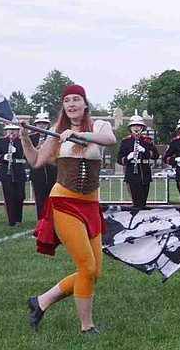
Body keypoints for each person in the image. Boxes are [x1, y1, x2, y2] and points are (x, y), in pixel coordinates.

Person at [22, 84, 117, 334]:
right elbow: (36, 161)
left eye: (76, 99)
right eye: (67, 101)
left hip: (91, 205)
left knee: (94, 273)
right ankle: (87, 327)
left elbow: (110, 140)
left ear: (85, 104)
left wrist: (79, 136)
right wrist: (23, 137)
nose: (71, 104)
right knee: (86, 267)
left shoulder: (99, 126)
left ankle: (42, 301)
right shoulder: (56, 131)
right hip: (64, 203)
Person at [118, 111, 160, 210]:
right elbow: (119, 159)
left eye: (138, 126)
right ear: (130, 128)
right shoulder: (126, 141)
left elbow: (156, 155)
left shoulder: (147, 140)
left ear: (142, 128)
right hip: (132, 173)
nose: (136, 128)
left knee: (143, 202)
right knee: (136, 203)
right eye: (134, 126)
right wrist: (128, 157)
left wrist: (145, 150)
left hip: (145, 172)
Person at [0, 122, 27, 227]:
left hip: (19, 171)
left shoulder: (22, 141)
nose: (12, 131)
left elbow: (25, 155)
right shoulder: (1, 141)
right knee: (9, 197)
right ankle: (11, 221)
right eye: (9, 129)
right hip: (6, 172)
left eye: (14, 129)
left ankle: (18, 219)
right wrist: (4, 157)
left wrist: (17, 151)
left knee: (20, 196)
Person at [27, 110, 58, 220]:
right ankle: (41, 221)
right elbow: (26, 155)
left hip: (52, 172)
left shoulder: (53, 136)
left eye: (44, 123)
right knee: (40, 199)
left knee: (53, 198)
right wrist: (36, 149)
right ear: (36, 124)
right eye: (39, 123)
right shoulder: (31, 138)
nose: (41, 125)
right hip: (37, 173)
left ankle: (53, 220)